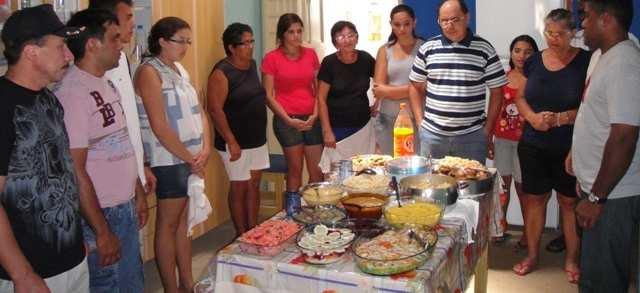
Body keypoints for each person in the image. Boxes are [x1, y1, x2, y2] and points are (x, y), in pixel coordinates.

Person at [55, 9, 147, 292]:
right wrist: (102, 231)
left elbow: (120, 141)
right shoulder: (72, 92)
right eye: (114, 38)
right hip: (100, 214)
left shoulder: (106, 84)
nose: (122, 45)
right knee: (110, 285)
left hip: (124, 206)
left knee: (131, 283)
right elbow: (74, 168)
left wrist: (138, 191)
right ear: (93, 44)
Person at [0, 4, 88, 292]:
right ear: (31, 51)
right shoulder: (3, 106)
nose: (69, 55)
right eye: (61, 46)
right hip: (29, 272)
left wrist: (76, 241)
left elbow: (64, 173)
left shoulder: (48, 99)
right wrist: (22, 274)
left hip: (71, 260)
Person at [512, 9, 591, 283]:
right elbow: (520, 96)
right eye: (549, 33)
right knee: (534, 200)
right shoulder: (533, 61)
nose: (554, 39)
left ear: (573, 33)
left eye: (560, 34)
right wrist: (533, 118)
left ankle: (571, 259)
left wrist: (561, 118)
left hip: (570, 146)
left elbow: (592, 106)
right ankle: (532, 255)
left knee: (569, 203)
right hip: (533, 143)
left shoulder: (586, 61)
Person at [134, 17, 211, 293]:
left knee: (183, 224)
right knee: (168, 225)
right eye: (181, 41)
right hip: (168, 159)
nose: (186, 47)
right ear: (162, 41)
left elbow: (199, 110)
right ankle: (171, 287)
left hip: (190, 157)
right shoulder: (148, 72)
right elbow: (160, 126)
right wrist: (191, 161)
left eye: (189, 41)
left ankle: (187, 283)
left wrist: (206, 148)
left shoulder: (178, 69)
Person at [568, 0, 640, 291]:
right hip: (598, 186)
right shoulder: (602, 55)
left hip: (613, 196)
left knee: (604, 278)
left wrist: (596, 197)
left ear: (606, 19)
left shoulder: (625, 63)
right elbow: (594, 113)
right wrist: (580, 162)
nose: (582, 23)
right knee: (594, 271)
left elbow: (624, 136)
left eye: (587, 16)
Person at [408, 0, 507, 163]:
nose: (449, 25)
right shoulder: (428, 48)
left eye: (455, 19)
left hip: (471, 137)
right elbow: (415, 86)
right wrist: (420, 124)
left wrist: (487, 130)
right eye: (444, 21)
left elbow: (497, 91)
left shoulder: (484, 49)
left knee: (471, 186)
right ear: (438, 21)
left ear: (467, 18)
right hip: (433, 137)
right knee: (434, 185)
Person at [88, 0, 157, 197]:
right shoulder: (95, 67)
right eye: (127, 17)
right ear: (107, 22)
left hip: (131, 172)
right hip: (108, 185)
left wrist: (141, 165)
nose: (133, 23)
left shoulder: (120, 59)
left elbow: (128, 118)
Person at [208, 23, 269, 237]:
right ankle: (241, 234)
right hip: (235, 141)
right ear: (232, 47)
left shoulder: (251, 65)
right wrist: (231, 141)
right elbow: (215, 110)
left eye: (252, 41)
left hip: (257, 138)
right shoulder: (222, 72)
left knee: (254, 185)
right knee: (240, 186)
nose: (251, 46)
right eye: (245, 43)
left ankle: (254, 230)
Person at [262, 13, 323, 193]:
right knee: (295, 170)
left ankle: (316, 213)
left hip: (312, 118)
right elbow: (268, 95)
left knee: (317, 171)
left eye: (299, 31)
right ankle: (292, 215)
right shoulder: (272, 58)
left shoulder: (311, 55)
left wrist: (315, 114)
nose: (296, 36)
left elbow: (319, 89)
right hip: (286, 121)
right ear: (282, 35)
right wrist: (288, 120)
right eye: (291, 32)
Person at [489, 35, 539, 245]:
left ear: (535, 54)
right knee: (502, 187)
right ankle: (500, 228)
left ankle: (529, 234)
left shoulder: (537, 78)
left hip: (526, 143)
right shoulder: (502, 77)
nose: (521, 55)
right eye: (517, 50)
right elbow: (494, 107)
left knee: (523, 189)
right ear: (510, 53)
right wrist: (489, 137)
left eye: (527, 51)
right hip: (501, 141)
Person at [372, 4, 425, 156]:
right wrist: (413, 89)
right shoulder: (385, 50)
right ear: (391, 25)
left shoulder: (425, 48)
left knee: (417, 170)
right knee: (392, 168)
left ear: (414, 23)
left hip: (418, 119)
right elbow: (379, 90)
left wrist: (391, 91)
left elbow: (427, 87)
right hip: (388, 120)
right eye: (397, 24)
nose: (402, 29)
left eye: (406, 24)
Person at [317, 21, 376, 155]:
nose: (347, 40)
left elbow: (382, 80)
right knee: (337, 171)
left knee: (363, 168)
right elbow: (321, 98)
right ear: (335, 41)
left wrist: (377, 104)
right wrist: (326, 130)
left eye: (351, 35)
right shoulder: (329, 63)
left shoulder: (365, 59)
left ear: (356, 38)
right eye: (341, 36)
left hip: (362, 124)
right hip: (336, 126)